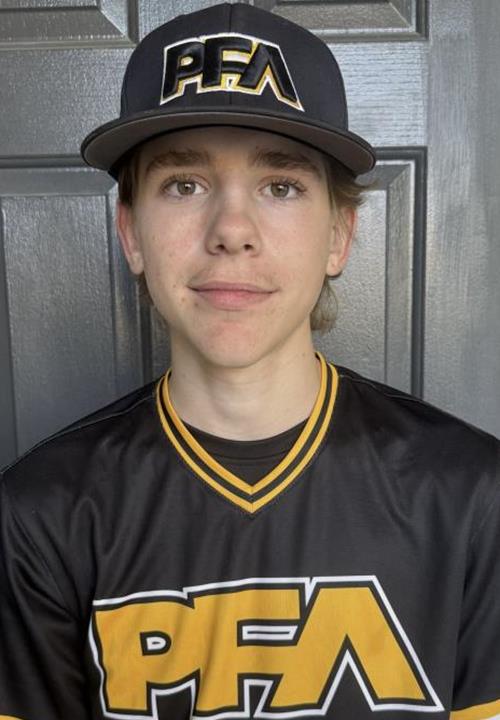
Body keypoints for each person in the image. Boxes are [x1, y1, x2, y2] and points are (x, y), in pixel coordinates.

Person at [1, 3, 499, 719]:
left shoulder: (473, 494)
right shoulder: (38, 512)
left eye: (281, 186)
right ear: (131, 233)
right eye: (184, 184)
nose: (232, 230)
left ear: (339, 234)